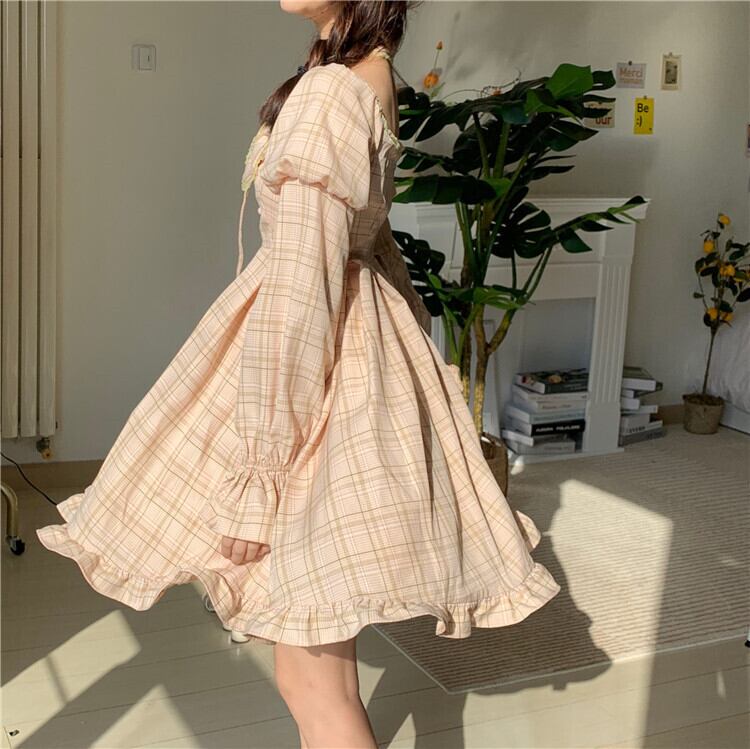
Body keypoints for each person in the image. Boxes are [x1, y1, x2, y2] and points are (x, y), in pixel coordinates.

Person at [37, 2, 560, 746]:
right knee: (321, 677)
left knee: (313, 683)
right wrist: (412, 354)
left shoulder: (331, 90)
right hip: (355, 350)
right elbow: (373, 244)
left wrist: (261, 475)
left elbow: (301, 292)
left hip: (319, 367)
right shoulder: (371, 76)